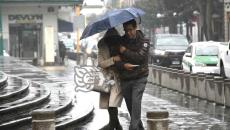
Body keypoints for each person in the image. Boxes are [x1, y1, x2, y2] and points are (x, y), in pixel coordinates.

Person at [115, 19, 150, 130]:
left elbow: (140, 57)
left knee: (136, 104)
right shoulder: (121, 41)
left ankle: (133, 128)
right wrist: (124, 65)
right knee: (131, 109)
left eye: (130, 30)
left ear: (135, 28)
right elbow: (116, 60)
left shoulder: (144, 41)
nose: (128, 33)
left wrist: (125, 51)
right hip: (125, 78)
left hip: (140, 77)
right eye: (126, 30)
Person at [97, 28, 123, 130]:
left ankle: (113, 125)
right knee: (109, 103)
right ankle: (115, 124)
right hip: (106, 78)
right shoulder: (102, 47)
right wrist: (113, 60)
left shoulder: (121, 46)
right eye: (110, 38)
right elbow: (101, 63)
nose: (112, 40)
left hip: (118, 78)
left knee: (113, 102)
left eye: (114, 37)